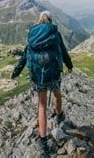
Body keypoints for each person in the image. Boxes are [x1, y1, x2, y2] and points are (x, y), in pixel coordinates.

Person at [10, 10, 73, 156]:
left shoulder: (33, 35)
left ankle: (43, 140)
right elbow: (63, 51)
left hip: (38, 76)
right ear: (50, 20)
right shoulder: (55, 33)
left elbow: (25, 55)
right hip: (53, 74)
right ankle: (59, 115)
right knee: (57, 95)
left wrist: (16, 72)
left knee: (42, 106)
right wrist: (69, 66)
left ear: (40, 20)